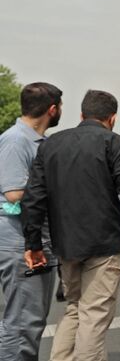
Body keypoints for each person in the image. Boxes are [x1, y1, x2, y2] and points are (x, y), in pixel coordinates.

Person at [22, 89, 120, 361]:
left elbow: (33, 199)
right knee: (94, 314)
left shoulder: (51, 144)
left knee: (75, 308)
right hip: (103, 244)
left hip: (65, 243)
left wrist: (33, 245)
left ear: (81, 114)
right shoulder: (112, 143)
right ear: (112, 118)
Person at [0, 83, 61, 361]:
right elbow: (14, 192)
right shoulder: (15, 140)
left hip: (35, 240)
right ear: (52, 109)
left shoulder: (38, 141)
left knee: (31, 322)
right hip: (19, 244)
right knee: (22, 324)